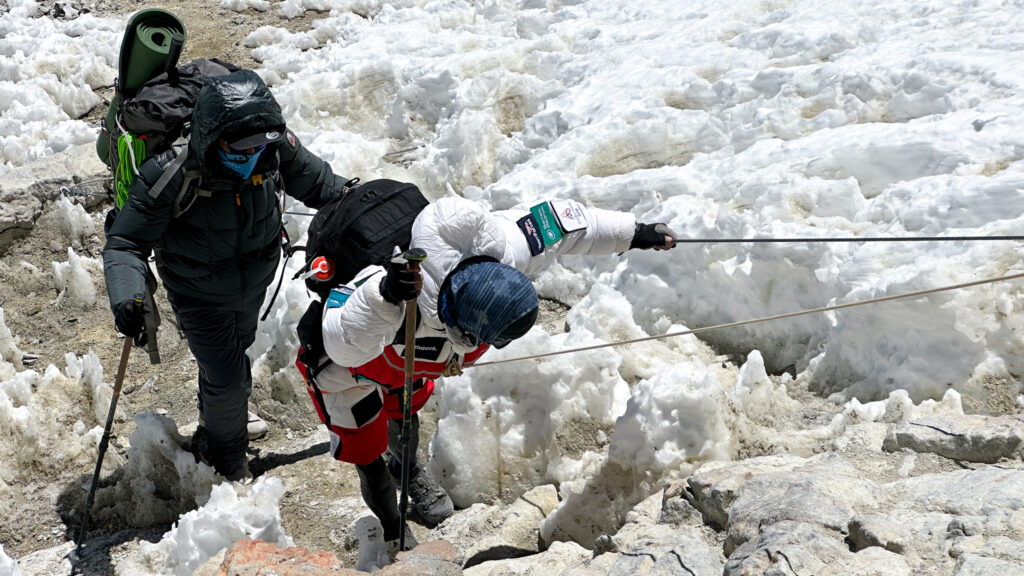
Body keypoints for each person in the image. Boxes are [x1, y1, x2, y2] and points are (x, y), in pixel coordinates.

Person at [297, 194, 674, 567]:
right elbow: (341, 338)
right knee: (367, 455)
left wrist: (638, 233)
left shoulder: (507, 248)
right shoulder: (394, 293)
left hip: (408, 363)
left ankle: (408, 471)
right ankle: (394, 529)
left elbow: (567, 222)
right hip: (348, 371)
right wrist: (384, 296)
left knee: (404, 416)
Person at [103, 69, 351, 481]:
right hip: (196, 289)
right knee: (229, 376)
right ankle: (226, 458)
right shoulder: (172, 172)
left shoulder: (272, 148)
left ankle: (218, 420)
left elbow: (323, 185)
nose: (250, 157)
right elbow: (126, 242)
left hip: (253, 281)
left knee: (234, 356)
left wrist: (370, 204)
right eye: (239, 150)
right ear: (211, 138)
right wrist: (128, 298)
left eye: (259, 147)